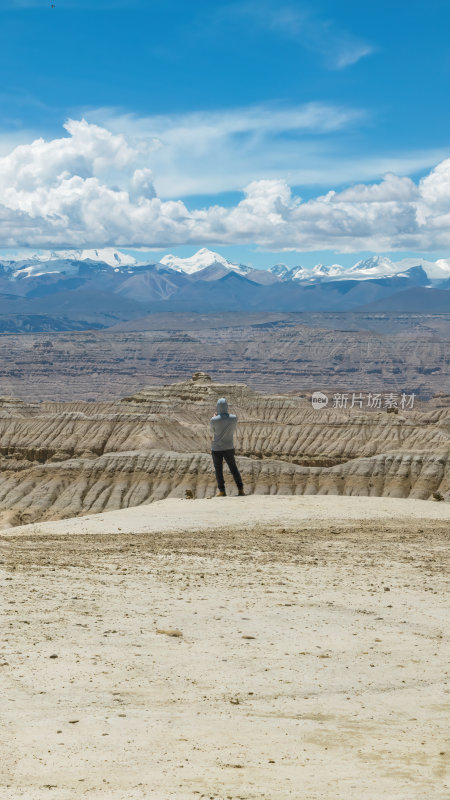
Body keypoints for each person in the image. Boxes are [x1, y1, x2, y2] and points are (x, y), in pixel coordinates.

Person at [210, 397, 245, 497]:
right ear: (226, 407)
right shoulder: (234, 418)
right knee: (233, 468)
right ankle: (240, 489)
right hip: (229, 447)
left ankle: (222, 491)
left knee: (218, 470)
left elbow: (212, 431)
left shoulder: (213, 420)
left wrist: (214, 417)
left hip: (216, 448)